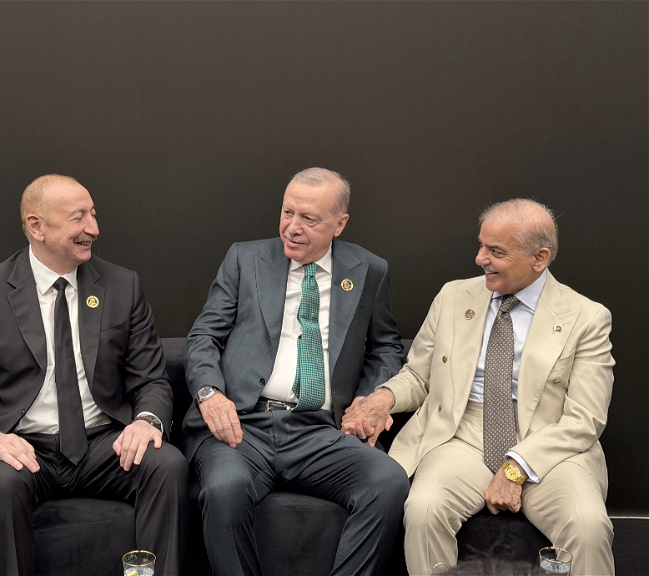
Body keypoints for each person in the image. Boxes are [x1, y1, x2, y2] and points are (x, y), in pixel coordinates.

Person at [342, 198, 615, 575]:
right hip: (461, 432)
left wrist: (517, 467)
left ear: (540, 258)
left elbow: (585, 419)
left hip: (550, 442)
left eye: (496, 251)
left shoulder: (586, 318)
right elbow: (419, 376)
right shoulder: (453, 297)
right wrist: (384, 398)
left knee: (588, 526)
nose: (480, 258)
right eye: (481, 245)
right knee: (423, 509)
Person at [0, 174, 187, 576]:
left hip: (102, 443)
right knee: (3, 482)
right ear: (37, 226)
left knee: (166, 464)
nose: (93, 228)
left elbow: (151, 379)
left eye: (94, 214)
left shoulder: (122, 285)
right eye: (78, 217)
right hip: (23, 443)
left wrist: (146, 420)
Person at [183, 167, 410, 576]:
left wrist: (369, 399)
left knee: (388, 480)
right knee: (225, 488)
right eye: (288, 212)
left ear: (340, 224)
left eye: (309, 219)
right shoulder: (245, 259)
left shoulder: (368, 269)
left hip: (321, 430)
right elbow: (204, 337)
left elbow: (385, 347)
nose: (292, 227)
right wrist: (209, 394)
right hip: (243, 426)